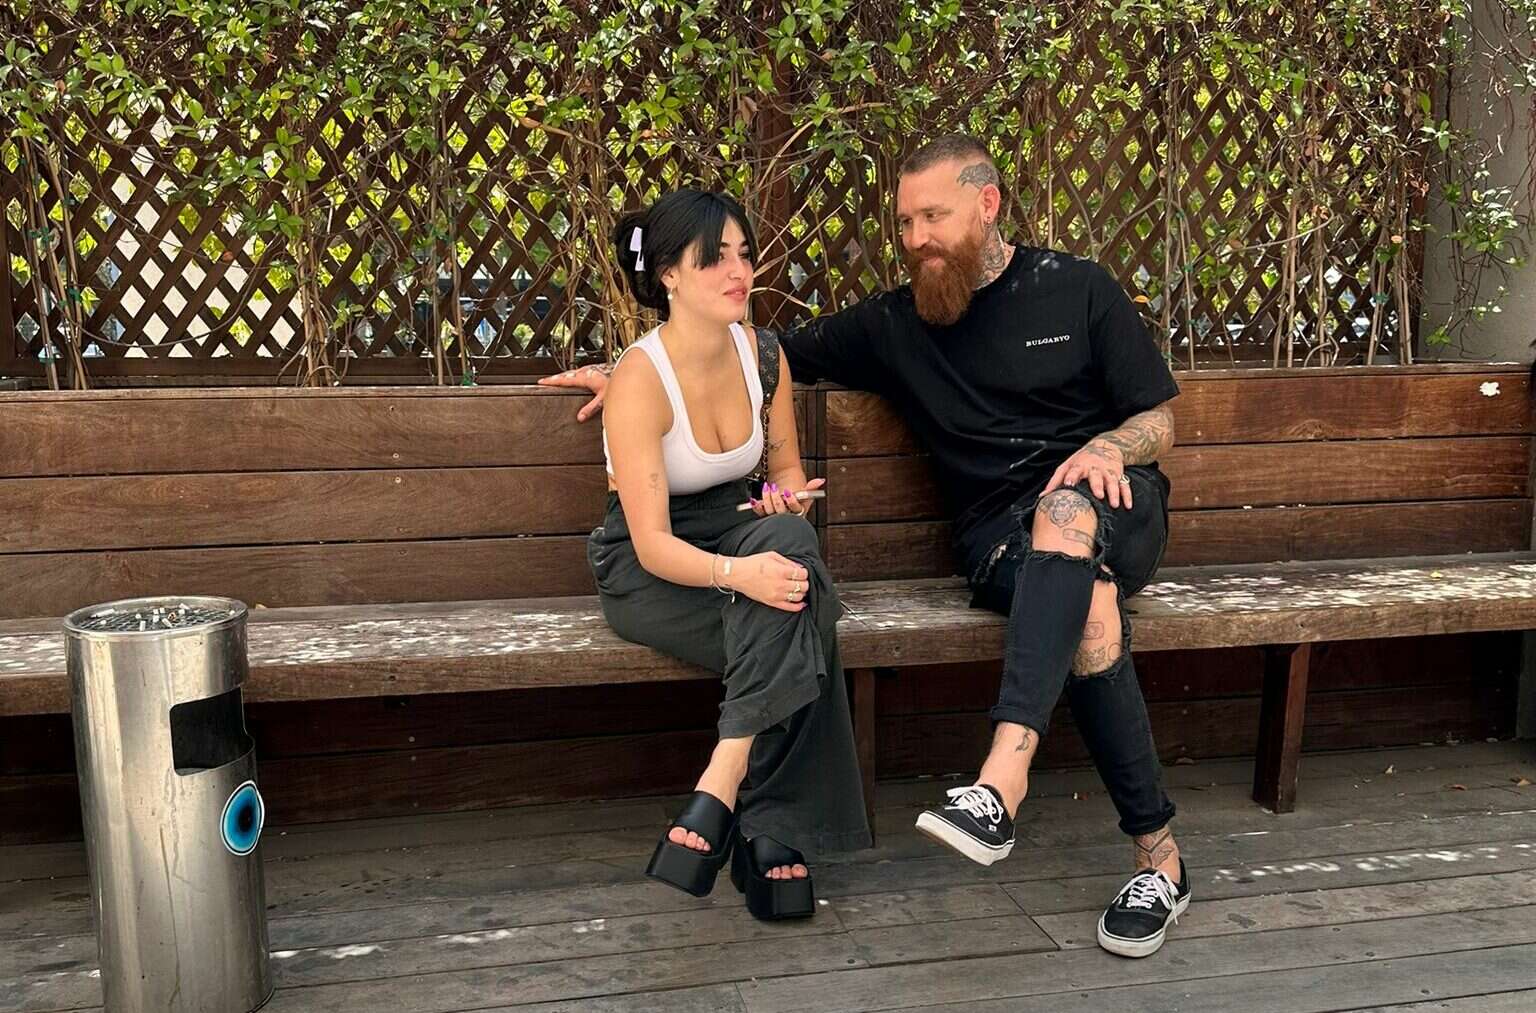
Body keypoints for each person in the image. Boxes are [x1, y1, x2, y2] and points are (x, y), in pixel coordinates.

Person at [544, 135, 1190, 957]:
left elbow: (1160, 419)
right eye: (905, 223)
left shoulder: (1078, 288)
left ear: (987, 204)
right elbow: (742, 351)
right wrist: (630, 376)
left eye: (934, 217)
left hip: (1113, 503)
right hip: (1002, 543)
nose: (916, 238)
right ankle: (1161, 860)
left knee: (1062, 515)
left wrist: (1111, 446)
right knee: (1089, 611)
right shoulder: (897, 323)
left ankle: (1000, 781)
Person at [582, 188, 870, 922]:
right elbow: (651, 544)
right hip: (651, 566)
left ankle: (722, 776)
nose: (739, 271)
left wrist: (784, 500)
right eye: (715, 258)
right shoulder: (640, 378)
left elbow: (786, 477)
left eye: (744, 253)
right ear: (669, 275)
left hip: (740, 527)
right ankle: (771, 832)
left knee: (794, 550)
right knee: (803, 611)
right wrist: (739, 574)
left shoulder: (764, 356)